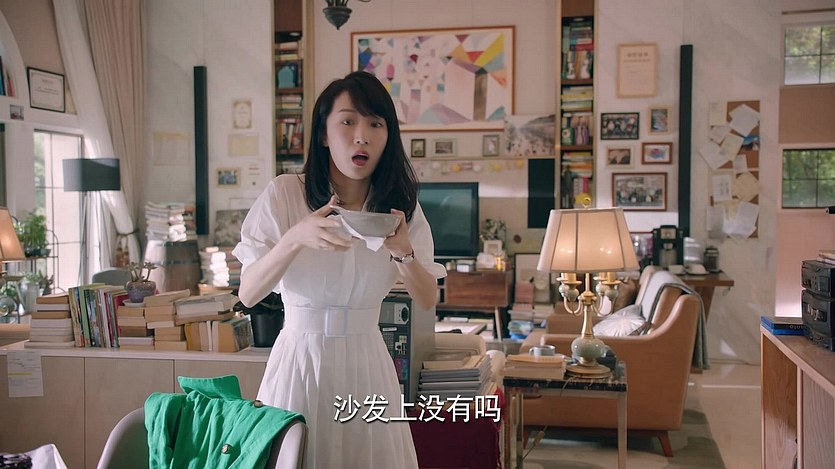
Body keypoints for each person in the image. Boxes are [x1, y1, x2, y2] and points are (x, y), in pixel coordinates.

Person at [233, 71, 445, 468]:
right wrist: (295, 238)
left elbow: (427, 297)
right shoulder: (285, 193)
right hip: (300, 358)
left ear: (388, 136)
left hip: (367, 361)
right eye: (348, 121)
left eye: (375, 124)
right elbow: (248, 293)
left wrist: (403, 253)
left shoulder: (400, 206)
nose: (361, 136)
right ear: (323, 134)